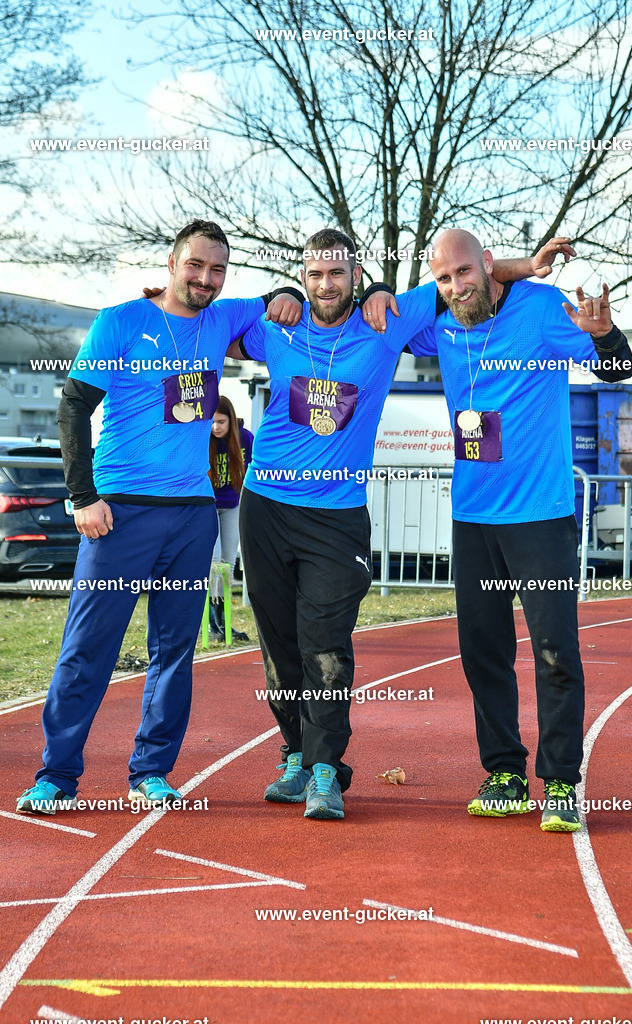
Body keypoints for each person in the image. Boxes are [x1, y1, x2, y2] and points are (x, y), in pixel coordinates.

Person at [231, 227, 573, 821]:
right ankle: (295, 752)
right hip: (265, 504)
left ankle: (324, 769)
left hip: (338, 514)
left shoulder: (386, 321)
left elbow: (463, 283)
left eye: (337, 273)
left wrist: (528, 265)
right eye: (314, 274)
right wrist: (272, 293)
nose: (325, 284)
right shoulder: (276, 324)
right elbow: (213, 323)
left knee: (326, 645)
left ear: (358, 276)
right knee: (279, 647)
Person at [16, 219, 303, 814]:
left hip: (193, 512)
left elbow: (284, 297)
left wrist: (291, 296)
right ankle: (57, 775)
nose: (205, 278)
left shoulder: (224, 317)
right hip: (120, 510)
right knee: (88, 646)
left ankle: (151, 770)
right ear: (172, 264)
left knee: (174, 649)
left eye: (218, 269)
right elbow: (73, 408)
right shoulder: (120, 322)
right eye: (195, 266)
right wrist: (81, 497)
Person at [364, 228, 632, 832]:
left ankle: (562, 782)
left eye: (464, 272)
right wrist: (383, 285)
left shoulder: (539, 309)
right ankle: (505, 773)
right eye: (443, 279)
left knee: (554, 651)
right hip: (473, 517)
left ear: (488, 266)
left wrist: (607, 334)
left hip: (539, 516)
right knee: (483, 653)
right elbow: (389, 315)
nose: (455, 287)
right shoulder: (443, 322)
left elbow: (616, 369)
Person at [207, 395, 253, 639]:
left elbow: (257, 468)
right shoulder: (204, 438)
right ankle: (211, 623)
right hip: (208, 506)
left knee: (227, 563)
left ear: (231, 420)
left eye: (221, 422)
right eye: (212, 422)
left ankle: (223, 620)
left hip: (232, 505)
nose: (216, 427)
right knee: (213, 563)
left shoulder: (245, 439)